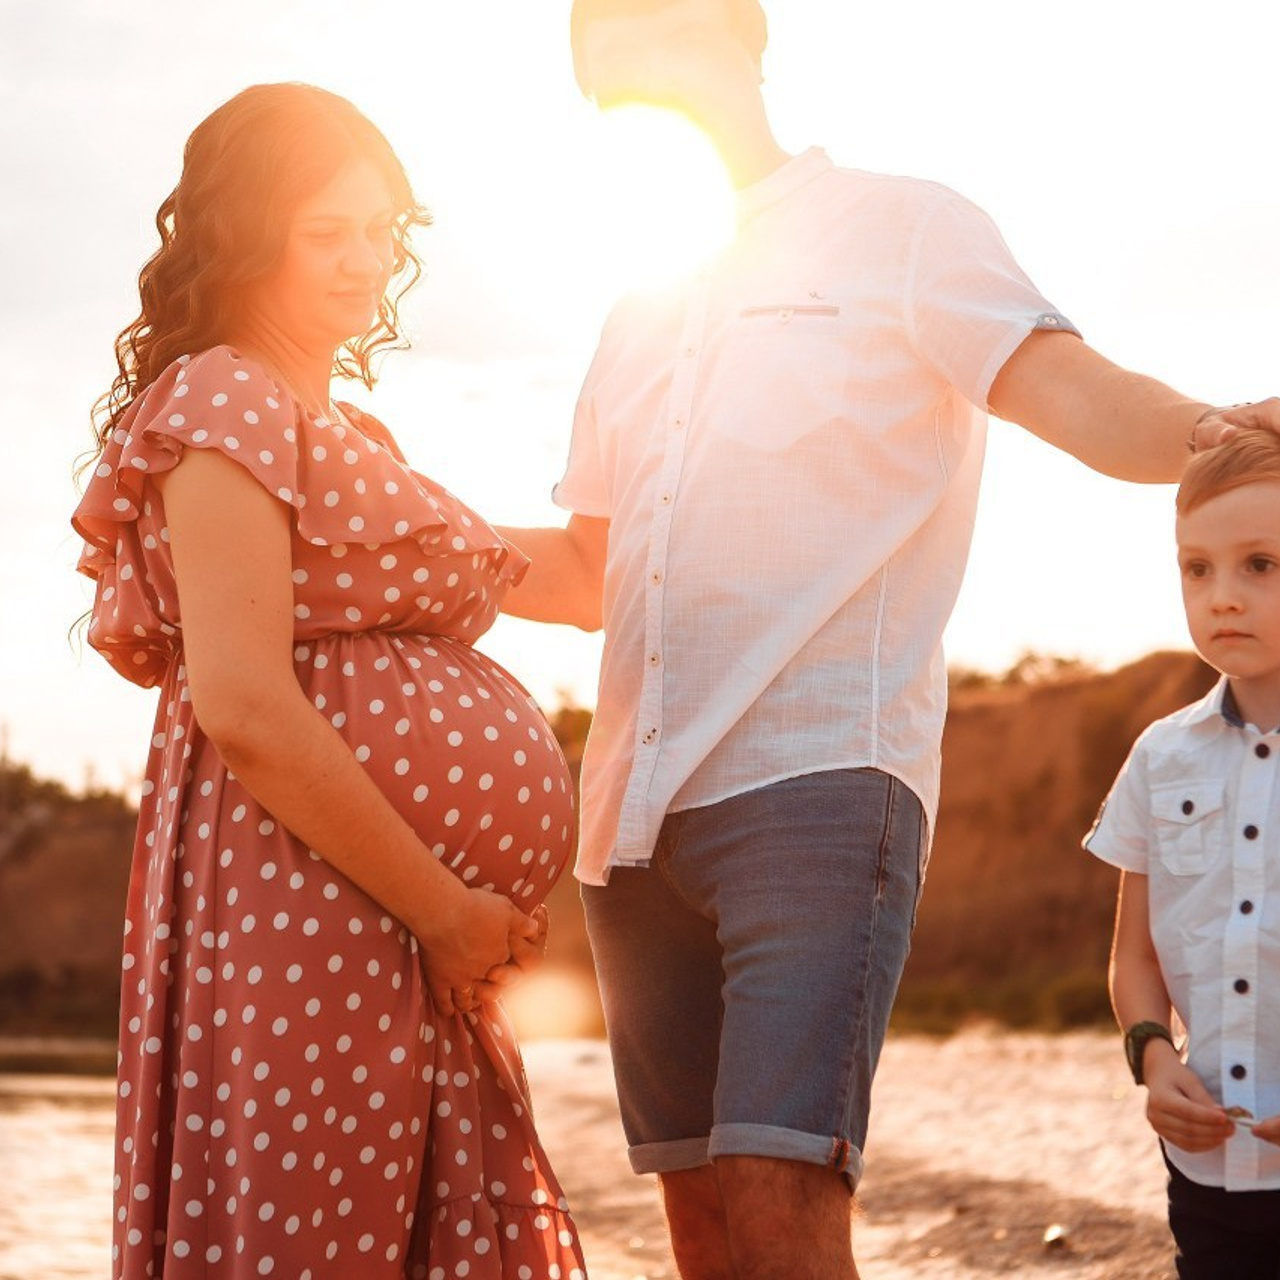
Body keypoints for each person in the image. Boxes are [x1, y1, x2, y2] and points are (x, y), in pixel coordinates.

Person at [494, 2, 1280, 1276]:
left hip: (817, 780)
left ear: (738, 40)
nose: (633, 104)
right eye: (605, 91)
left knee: (777, 1186)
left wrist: (1217, 429)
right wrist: (382, 542)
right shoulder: (630, 314)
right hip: (624, 823)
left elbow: (1078, 397)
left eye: (650, 57)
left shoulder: (904, 229)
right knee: (698, 1223)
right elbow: (586, 570)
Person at [72, 83, 586, 1279]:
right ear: (247, 234)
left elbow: (571, 573)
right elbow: (243, 702)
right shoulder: (224, 400)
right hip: (308, 899)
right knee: (319, 1230)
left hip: (376, 907)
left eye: (383, 233)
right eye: (329, 233)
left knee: (400, 1222)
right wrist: (445, 908)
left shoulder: (348, 432)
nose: (367, 263)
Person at [1085, 429, 1280, 1278]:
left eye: (1261, 565)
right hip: (1208, 1163)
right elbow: (1133, 956)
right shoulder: (1161, 756)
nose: (1222, 598)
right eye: (1196, 569)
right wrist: (1151, 1055)